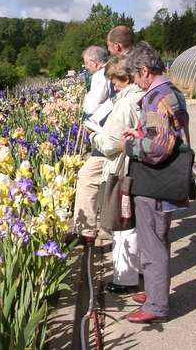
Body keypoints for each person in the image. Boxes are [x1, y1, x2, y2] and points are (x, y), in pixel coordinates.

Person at [118, 42, 189, 323]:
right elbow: (168, 134)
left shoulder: (154, 97)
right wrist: (140, 135)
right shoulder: (173, 92)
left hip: (156, 182)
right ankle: (155, 292)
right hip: (167, 180)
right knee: (158, 239)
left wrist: (129, 146)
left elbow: (158, 148)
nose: (135, 81)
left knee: (153, 243)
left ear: (144, 70)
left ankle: (157, 305)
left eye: (135, 76)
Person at [88, 55, 144, 292]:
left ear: (123, 77)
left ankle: (124, 278)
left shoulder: (125, 103)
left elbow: (111, 142)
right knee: (135, 221)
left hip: (121, 168)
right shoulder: (142, 95)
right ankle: (139, 269)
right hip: (138, 167)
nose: (112, 84)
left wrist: (93, 135)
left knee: (122, 223)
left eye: (114, 79)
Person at [72, 27, 134, 242]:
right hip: (118, 134)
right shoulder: (135, 61)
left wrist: (94, 125)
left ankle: (88, 230)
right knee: (111, 180)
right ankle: (108, 226)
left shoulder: (123, 69)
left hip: (113, 134)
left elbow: (100, 103)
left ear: (117, 46)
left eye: (109, 47)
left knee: (89, 176)